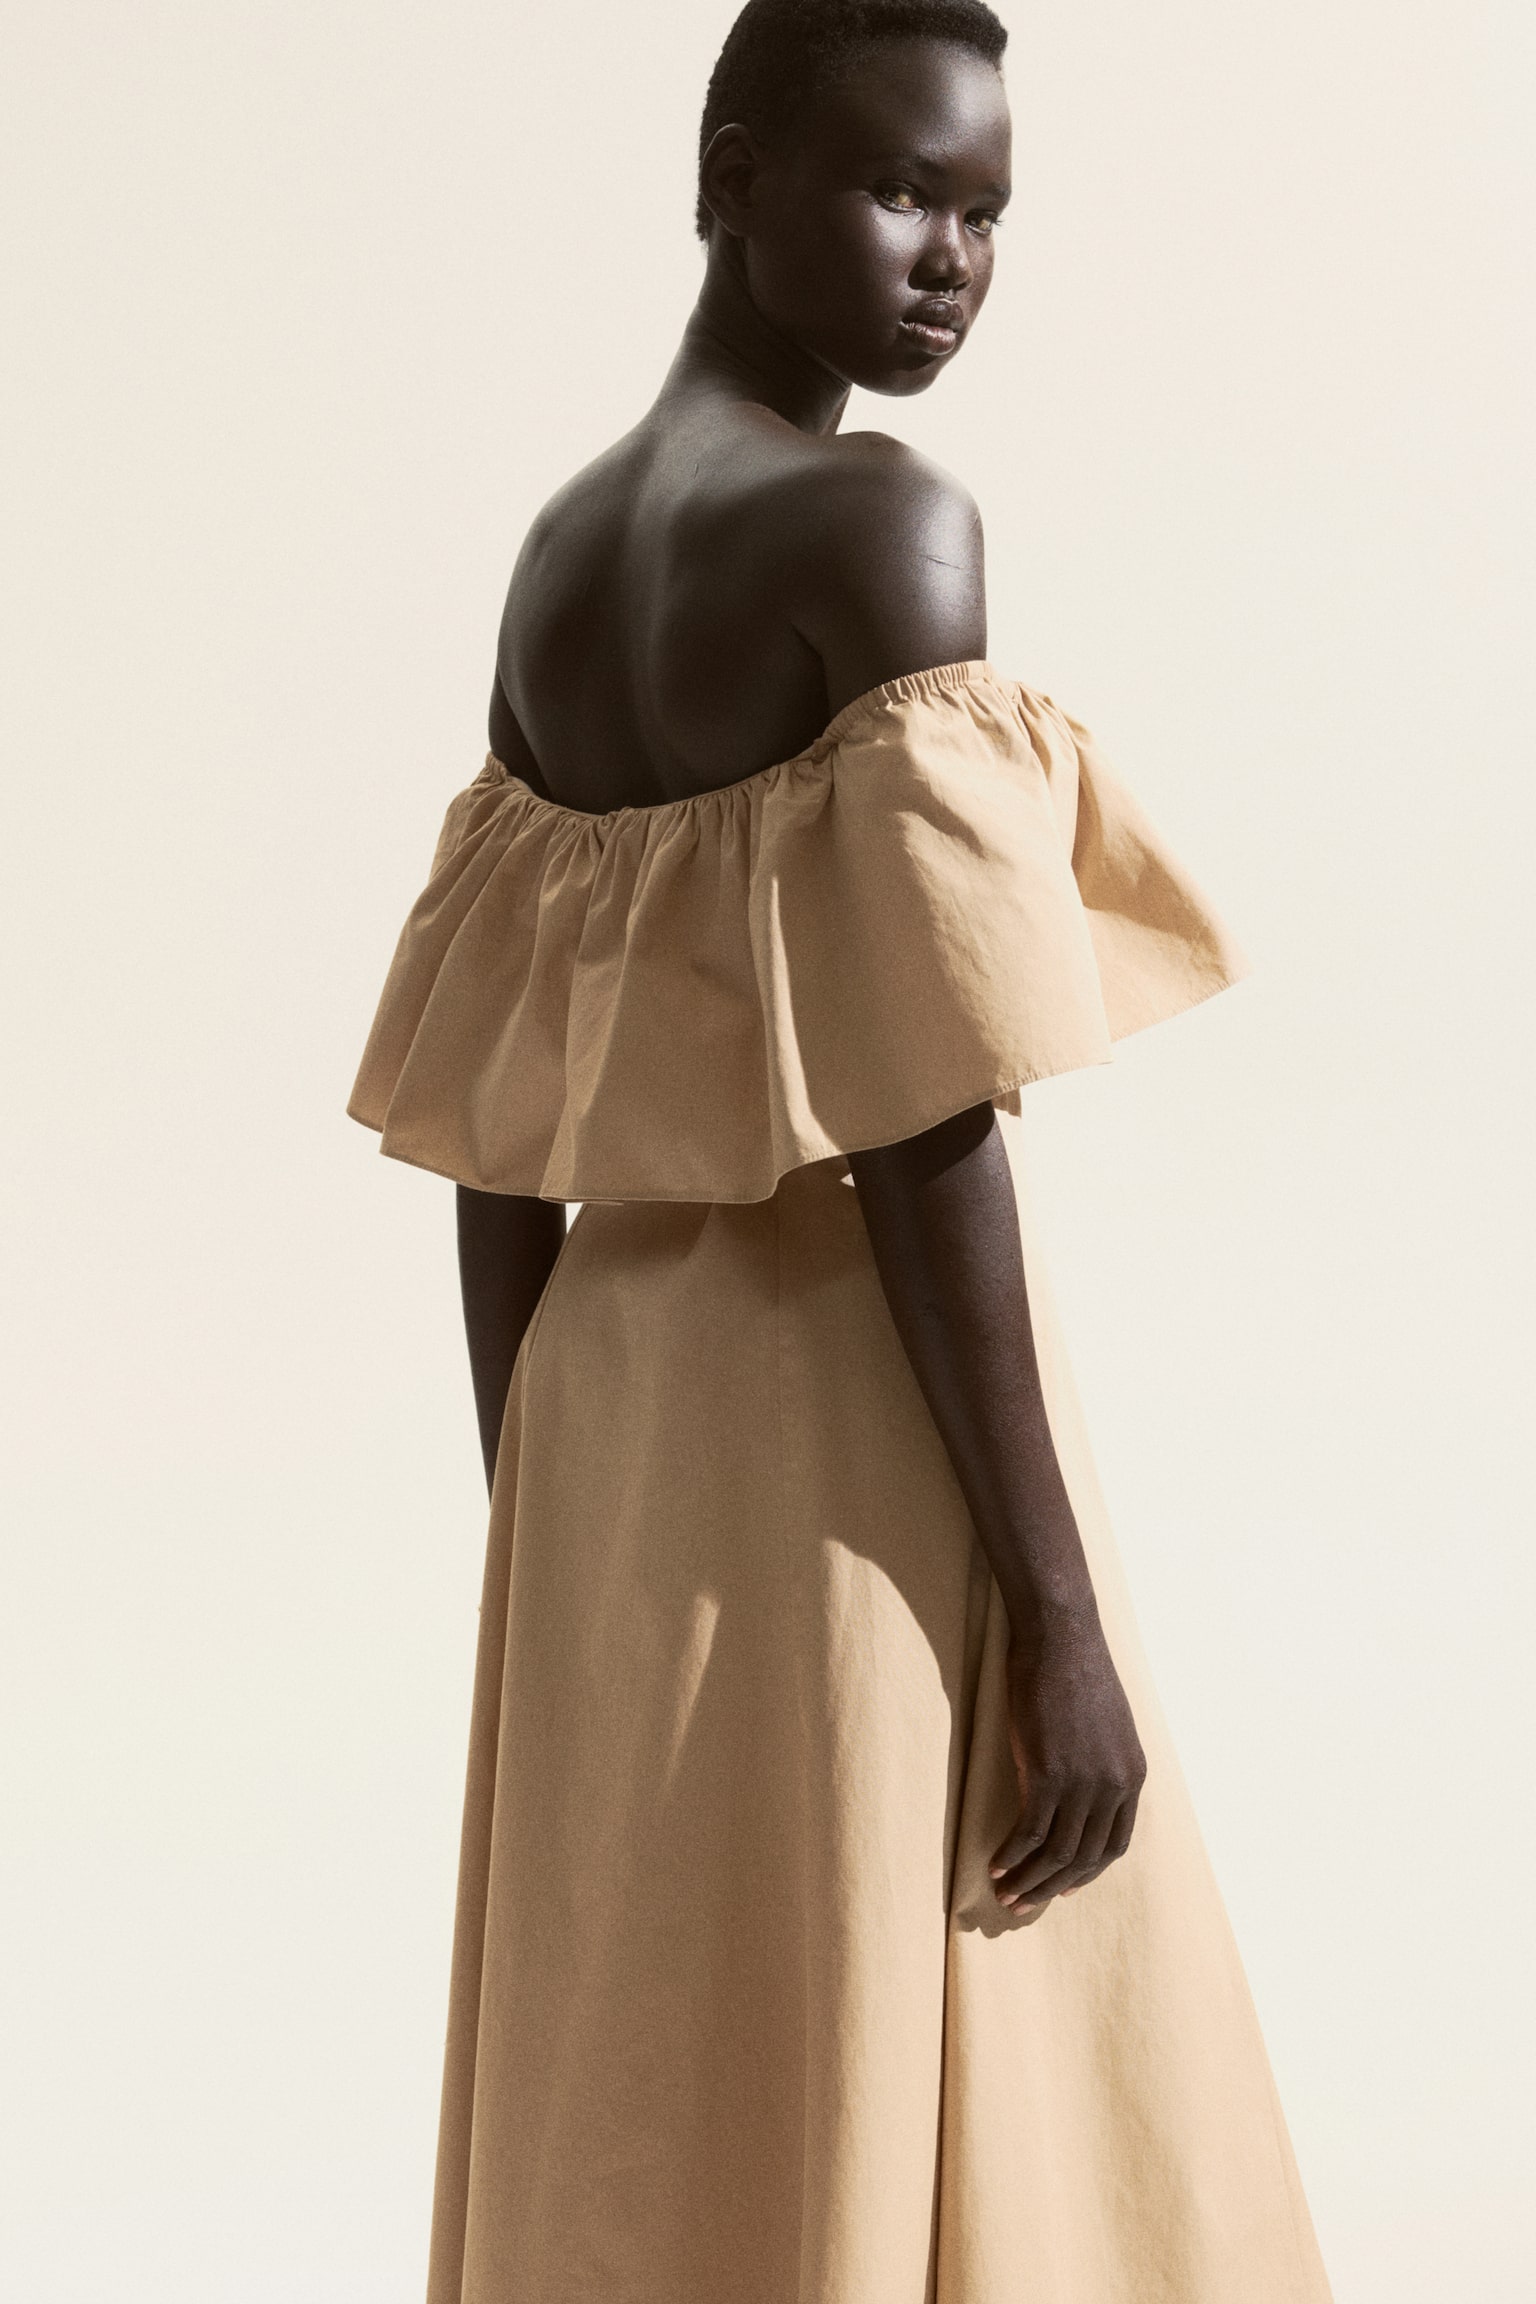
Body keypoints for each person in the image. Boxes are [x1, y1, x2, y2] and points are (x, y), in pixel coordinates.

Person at [350, 3, 1334, 2297]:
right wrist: (1058, 1619)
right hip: (844, 1421)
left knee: (672, 2034)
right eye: (900, 189)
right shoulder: (883, 526)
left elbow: (500, 1137)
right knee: (969, 1973)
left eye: (987, 212)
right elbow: (922, 1116)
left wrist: (542, 1503)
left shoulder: (559, 558)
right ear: (731, 175)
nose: (951, 259)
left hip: (611, 1426)